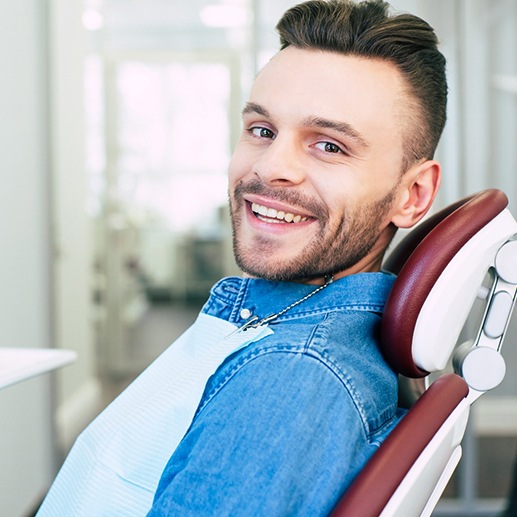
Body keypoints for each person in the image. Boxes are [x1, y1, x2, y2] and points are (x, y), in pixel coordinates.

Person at [38, 1, 447, 515]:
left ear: (411, 195)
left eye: (329, 145)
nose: (272, 167)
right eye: (262, 130)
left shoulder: (291, 378)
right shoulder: (278, 325)